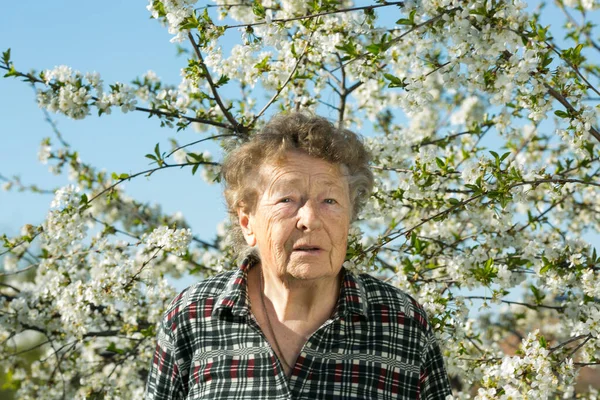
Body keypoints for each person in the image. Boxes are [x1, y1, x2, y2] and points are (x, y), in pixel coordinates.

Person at [145, 112, 452, 399]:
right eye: (287, 199)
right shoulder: (193, 316)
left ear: (350, 217)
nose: (310, 219)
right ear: (246, 221)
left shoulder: (402, 322)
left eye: (329, 200)